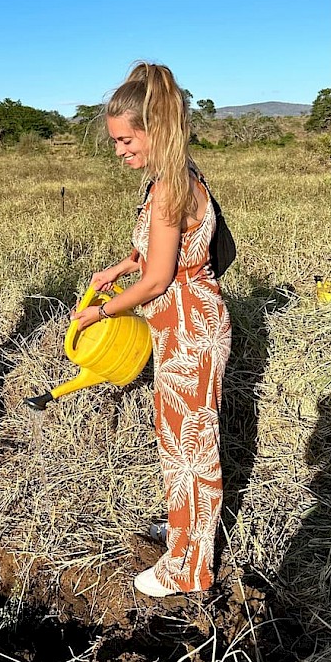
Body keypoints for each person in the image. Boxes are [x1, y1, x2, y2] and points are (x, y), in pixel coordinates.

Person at [72, 63, 231, 597]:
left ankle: (189, 565)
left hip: (189, 326)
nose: (119, 150)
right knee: (175, 439)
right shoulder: (172, 177)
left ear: (153, 129)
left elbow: (161, 275)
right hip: (181, 324)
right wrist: (119, 268)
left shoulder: (169, 188)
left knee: (191, 447)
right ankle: (185, 532)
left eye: (125, 139)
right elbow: (155, 254)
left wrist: (102, 311)